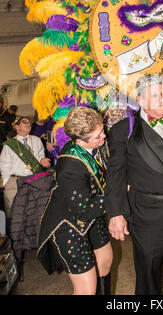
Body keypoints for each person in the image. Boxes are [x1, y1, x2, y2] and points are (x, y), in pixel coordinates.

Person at [105, 73, 163, 295]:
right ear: (141, 99)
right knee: (148, 278)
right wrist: (115, 213)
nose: (162, 99)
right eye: (155, 95)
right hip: (147, 217)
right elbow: (115, 175)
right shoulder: (123, 130)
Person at [37, 107, 112, 295]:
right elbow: (84, 210)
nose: (103, 136)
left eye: (102, 130)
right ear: (79, 141)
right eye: (98, 136)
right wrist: (118, 196)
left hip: (94, 210)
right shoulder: (69, 166)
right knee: (87, 288)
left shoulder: (98, 143)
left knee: (105, 264)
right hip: (68, 222)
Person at [0, 116, 52, 281]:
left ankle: (46, 256)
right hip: (16, 184)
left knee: (39, 219)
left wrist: (43, 161)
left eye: (29, 123)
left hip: (35, 182)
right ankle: (17, 264)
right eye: (24, 122)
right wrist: (11, 186)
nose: (28, 125)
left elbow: (40, 158)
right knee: (17, 223)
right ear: (16, 127)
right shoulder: (9, 145)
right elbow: (4, 167)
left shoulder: (36, 140)